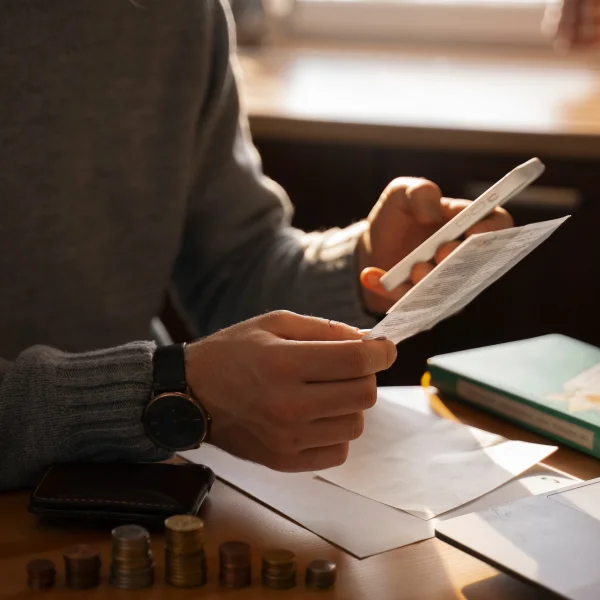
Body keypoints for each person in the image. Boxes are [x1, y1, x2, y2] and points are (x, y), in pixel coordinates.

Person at [0, 0, 512, 491]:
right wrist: (162, 393)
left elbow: (233, 267)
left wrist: (365, 266)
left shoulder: (180, 14)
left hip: (145, 479)